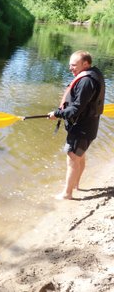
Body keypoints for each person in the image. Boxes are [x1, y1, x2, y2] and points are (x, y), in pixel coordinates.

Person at [48, 50, 105, 200]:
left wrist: (57, 114)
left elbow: (76, 109)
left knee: (72, 157)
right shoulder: (94, 74)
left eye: (74, 65)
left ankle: (67, 193)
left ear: (85, 64)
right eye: (70, 65)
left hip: (82, 128)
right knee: (80, 155)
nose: (70, 68)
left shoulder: (86, 81)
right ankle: (76, 185)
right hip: (89, 127)